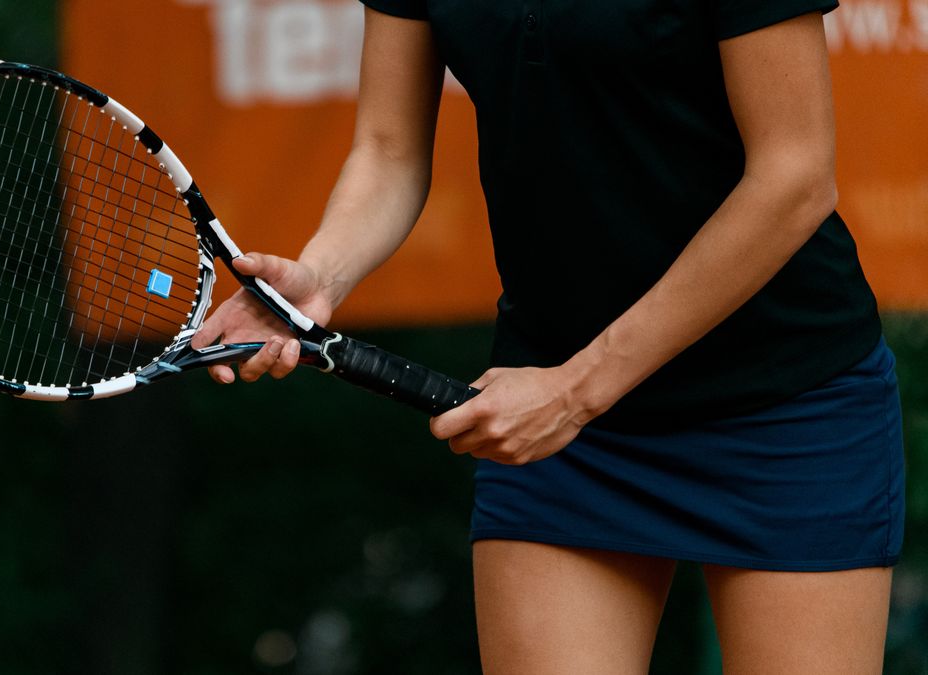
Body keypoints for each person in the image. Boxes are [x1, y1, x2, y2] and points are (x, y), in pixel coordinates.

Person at [191, 0, 906, 672]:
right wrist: (321, 273)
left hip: (785, 408)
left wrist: (576, 390)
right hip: (562, 427)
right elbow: (387, 151)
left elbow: (795, 178)